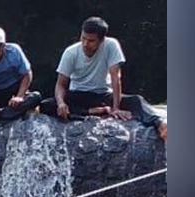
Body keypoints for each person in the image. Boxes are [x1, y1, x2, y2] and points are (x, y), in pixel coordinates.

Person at [39, 17, 167, 141]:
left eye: (91, 41)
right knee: (47, 105)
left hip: (103, 95)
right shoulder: (71, 52)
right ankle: (91, 111)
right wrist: (61, 103)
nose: (85, 44)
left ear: (101, 40)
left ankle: (160, 124)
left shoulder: (111, 45)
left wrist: (116, 108)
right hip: (78, 95)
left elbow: (115, 77)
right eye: (83, 38)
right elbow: (60, 84)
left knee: (136, 101)